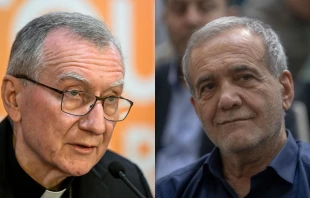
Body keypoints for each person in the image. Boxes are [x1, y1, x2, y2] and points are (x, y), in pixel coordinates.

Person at [0, 12, 152, 198]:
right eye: (74, 93)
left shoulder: (126, 184)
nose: (97, 126)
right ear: (13, 98)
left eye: (111, 98)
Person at [156, 16, 310, 197]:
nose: (227, 100)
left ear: (285, 89)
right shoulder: (170, 192)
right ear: (196, 109)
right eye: (209, 87)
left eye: (244, 77)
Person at [155, 0, 238, 180]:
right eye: (179, 9)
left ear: (231, 17)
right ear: (164, 18)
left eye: (205, 8)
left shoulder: (252, 90)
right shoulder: (150, 84)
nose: (191, 19)